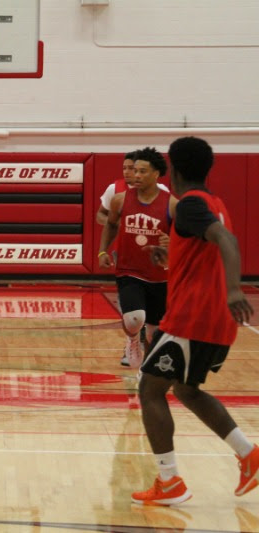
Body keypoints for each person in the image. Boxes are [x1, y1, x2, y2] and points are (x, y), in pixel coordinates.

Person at [131, 136, 256, 506]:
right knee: (186, 390)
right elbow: (208, 250)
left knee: (150, 389)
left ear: (174, 168)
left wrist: (235, 290)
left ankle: (169, 482)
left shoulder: (188, 205)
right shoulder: (213, 203)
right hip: (214, 319)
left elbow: (227, 241)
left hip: (193, 317)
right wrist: (170, 256)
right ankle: (249, 454)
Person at [98, 147, 176, 368]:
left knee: (154, 331)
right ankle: (132, 340)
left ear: (156, 174)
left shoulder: (171, 204)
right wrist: (103, 251)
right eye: (135, 170)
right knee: (134, 319)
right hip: (128, 270)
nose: (137, 175)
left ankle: (148, 370)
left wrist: (172, 244)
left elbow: (185, 238)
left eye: (143, 171)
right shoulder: (120, 200)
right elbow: (111, 224)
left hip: (160, 275)